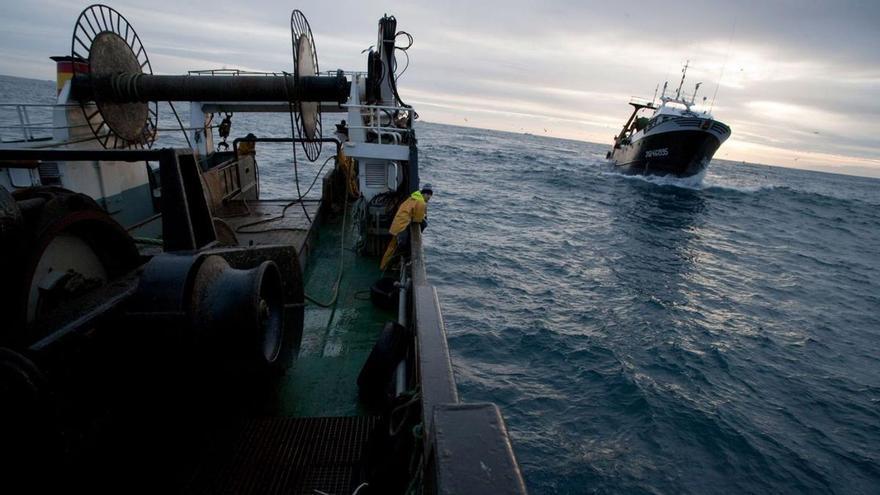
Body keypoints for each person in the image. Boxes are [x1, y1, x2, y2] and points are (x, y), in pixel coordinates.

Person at [380, 184, 433, 270]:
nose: (429, 198)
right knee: (395, 248)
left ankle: (383, 265)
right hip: (401, 226)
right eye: (428, 195)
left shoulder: (414, 197)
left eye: (430, 196)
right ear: (424, 194)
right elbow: (417, 220)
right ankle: (385, 266)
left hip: (397, 223)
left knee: (391, 247)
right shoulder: (421, 203)